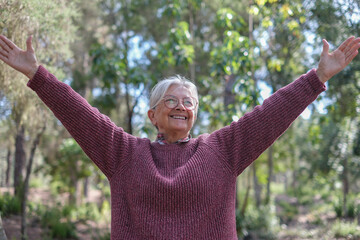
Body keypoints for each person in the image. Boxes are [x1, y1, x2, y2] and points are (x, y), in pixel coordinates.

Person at [0, 34, 359, 240]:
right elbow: (80, 114)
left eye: (188, 102)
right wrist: (37, 74)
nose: (180, 106)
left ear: (195, 115)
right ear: (152, 115)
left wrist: (317, 77)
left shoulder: (221, 150)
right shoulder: (123, 153)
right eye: (170, 100)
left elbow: (270, 113)